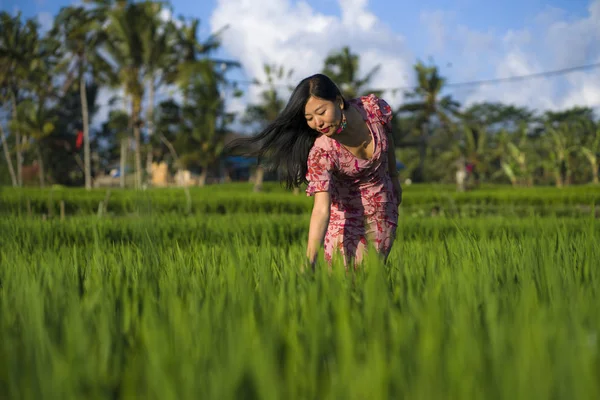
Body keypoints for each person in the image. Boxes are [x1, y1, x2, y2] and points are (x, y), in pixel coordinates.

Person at [226, 73, 402, 269]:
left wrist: (394, 178)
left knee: (371, 281)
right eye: (309, 118)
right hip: (345, 222)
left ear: (338, 102)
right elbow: (320, 209)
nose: (317, 122)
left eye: (321, 112)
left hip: (383, 213)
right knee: (347, 284)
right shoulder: (322, 152)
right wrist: (310, 259)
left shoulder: (372, 109)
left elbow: (388, 140)